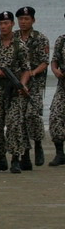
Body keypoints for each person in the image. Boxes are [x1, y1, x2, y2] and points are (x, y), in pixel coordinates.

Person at [0, 11, 32, 173]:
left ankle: (15, 159)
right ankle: (0, 159)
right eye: (1, 24)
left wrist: (22, 84)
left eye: (6, 23)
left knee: (14, 125)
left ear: (12, 24)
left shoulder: (20, 46)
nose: (3, 26)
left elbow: (26, 69)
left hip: (14, 91)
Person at [15, 6, 50, 168]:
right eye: (20, 19)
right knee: (19, 118)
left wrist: (33, 72)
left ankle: (37, 144)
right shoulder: (13, 38)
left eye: (26, 19)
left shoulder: (40, 38)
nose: (23, 22)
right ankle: (25, 155)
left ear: (33, 20)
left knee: (32, 115)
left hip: (35, 84)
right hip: (17, 84)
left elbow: (45, 62)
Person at [49, 18, 65, 166]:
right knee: (55, 116)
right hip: (63, 85)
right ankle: (60, 153)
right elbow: (55, 60)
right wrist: (55, 70)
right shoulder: (62, 40)